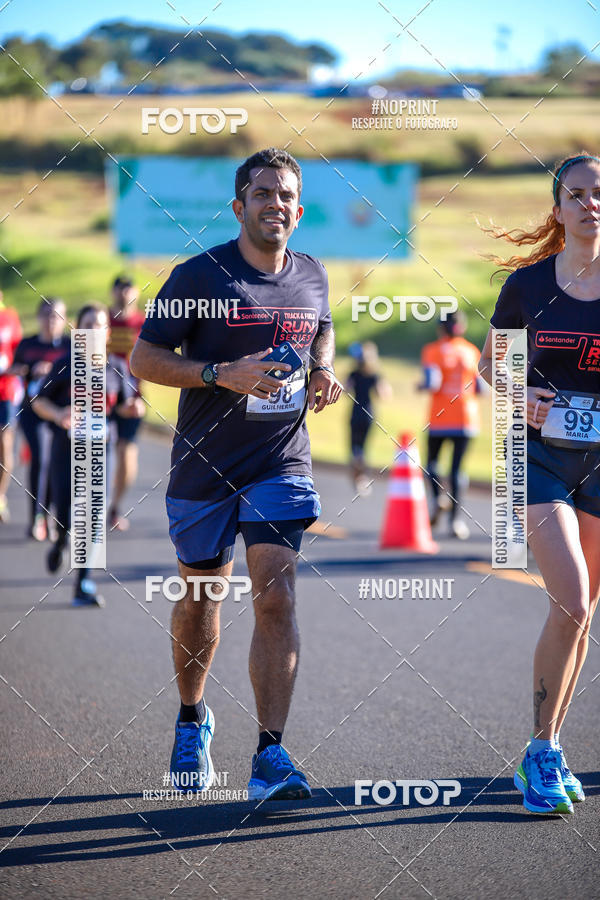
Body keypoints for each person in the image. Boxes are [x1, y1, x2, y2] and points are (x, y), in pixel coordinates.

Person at [130, 147, 341, 800]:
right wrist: (220, 374)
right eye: (262, 193)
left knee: (275, 591)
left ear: (299, 211)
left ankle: (269, 758)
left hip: (280, 459)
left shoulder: (313, 274)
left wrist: (325, 369)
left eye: (285, 196)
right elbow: (143, 356)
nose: (274, 204)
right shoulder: (199, 275)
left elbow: (321, 328)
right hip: (204, 465)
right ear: (238, 206)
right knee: (201, 600)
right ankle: (193, 717)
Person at [479, 153, 600, 814]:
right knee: (573, 602)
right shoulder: (528, 288)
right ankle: (542, 752)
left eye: (599, 193)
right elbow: (490, 366)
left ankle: (543, 748)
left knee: (582, 620)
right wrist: (519, 392)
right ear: (558, 210)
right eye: (577, 194)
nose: (590, 203)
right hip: (541, 460)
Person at [32, 304, 136, 607]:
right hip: (66, 452)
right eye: (87, 324)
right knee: (64, 514)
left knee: (93, 516)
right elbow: (38, 401)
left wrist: (131, 409)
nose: (94, 330)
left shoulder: (117, 367)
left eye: (100, 325)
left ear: (107, 333)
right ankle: (61, 540)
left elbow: (124, 405)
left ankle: (84, 583)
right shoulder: (65, 364)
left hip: (101, 451)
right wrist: (59, 413)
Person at [419, 311, 483, 539]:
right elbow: (480, 389)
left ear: (441, 328)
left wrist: (419, 386)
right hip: (467, 418)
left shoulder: (433, 351)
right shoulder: (471, 351)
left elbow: (432, 382)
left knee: (432, 464)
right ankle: (456, 521)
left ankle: (439, 499)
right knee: (457, 470)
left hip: (440, 417)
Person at [11, 298, 69, 540]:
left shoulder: (70, 345)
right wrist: (30, 369)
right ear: (39, 317)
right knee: (40, 459)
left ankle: (53, 515)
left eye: (56, 315)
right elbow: (14, 370)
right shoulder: (27, 344)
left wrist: (54, 370)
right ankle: (37, 516)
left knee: (56, 463)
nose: (51, 320)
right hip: (32, 410)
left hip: (60, 413)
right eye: (46, 314)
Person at [107, 276, 147, 531]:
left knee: (127, 456)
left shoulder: (142, 324)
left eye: (128, 289)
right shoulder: (102, 321)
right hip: (101, 396)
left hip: (132, 398)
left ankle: (114, 508)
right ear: (112, 292)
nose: (124, 293)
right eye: (120, 288)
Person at [345, 341, 391, 495]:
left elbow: (345, 390)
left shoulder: (354, 373)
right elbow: (383, 394)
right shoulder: (375, 375)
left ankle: (358, 478)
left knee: (354, 448)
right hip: (369, 413)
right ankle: (362, 478)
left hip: (355, 412)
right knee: (363, 448)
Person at [0, 293, 22, 523]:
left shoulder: (10, 317)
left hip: (5, 393)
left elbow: (20, 353)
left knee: (5, 448)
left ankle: (1, 497)